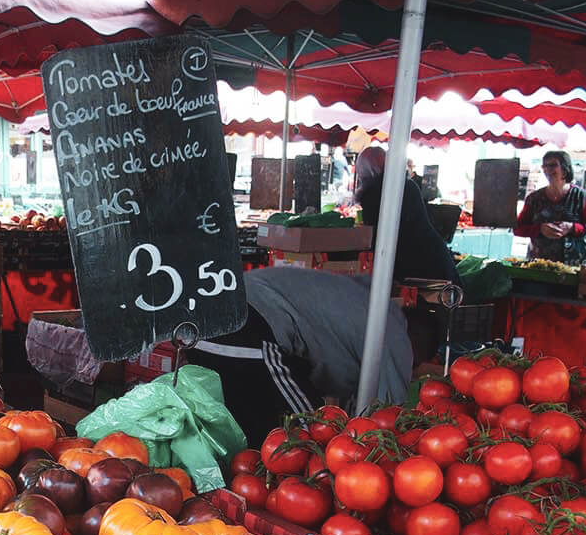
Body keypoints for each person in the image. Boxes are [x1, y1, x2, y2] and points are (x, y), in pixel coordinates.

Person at [188, 266, 413, 447]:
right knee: (312, 433)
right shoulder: (393, 334)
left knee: (250, 437)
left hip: (205, 318)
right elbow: (390, 418)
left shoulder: (358, 298)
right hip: (247, 324)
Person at [352, 146, 458, 284]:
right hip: (434, 258)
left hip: (414, 266)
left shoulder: (374, 194)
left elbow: (377, 237)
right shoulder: (407, 185)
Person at [514, 150, 586, 262]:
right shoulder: (534, 198)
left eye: (553, 165)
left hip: (573, 265)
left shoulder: (580, 196)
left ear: (565, 169)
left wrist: (572, 228)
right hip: (539, 265)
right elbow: (518, 228)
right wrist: (540, 229)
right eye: (545, 165)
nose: (547, 169)